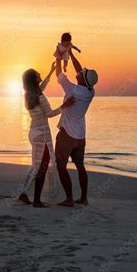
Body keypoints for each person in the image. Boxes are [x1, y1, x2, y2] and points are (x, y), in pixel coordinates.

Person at [18, 62, 76, 208]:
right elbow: (50, 114)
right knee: (42, 166)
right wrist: (65, 105)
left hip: (33, 133)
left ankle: (24, 194)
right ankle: (36, 200)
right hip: (42, 134)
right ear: (34, 79)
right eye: (38, 74)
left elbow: (42, 86)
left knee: (35, 166)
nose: (40, 75)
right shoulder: (40, 96)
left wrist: (50, 73)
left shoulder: (29, 94)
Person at [55, 49, 98, 207]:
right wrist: (71, 54)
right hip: (80, 136)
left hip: (67, 135)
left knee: (60, 166)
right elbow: (80, 70)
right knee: (80, 166)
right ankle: (84, 198)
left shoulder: (71, 89)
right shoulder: (90, 91)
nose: (79, 72)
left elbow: (58, 73)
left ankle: (69, 199)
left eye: (82, 73)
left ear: (82, 79)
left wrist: (59, 58)